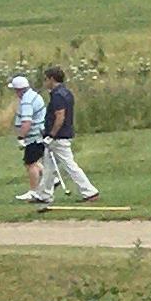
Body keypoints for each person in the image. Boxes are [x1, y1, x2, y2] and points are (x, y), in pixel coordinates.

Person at [37, 65, 98, 204]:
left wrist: (51, 135)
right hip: (61, 135)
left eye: (46, 79)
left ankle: (90, 191)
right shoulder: (66, 92)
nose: (45, 82)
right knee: (49, 167)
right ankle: (44, 195)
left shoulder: (58, 95)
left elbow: (60, 117)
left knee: (69, 165)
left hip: (58, 137)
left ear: (52, 79)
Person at [7, 74, 48, 203]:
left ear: (18, 90)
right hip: (39, 134)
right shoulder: (34, 95)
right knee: (34, 162)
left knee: (31, 164)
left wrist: (21, 137)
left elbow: (26, 122)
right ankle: (52, 179)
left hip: (33, 136)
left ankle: (34, 191)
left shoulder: (26, 101)